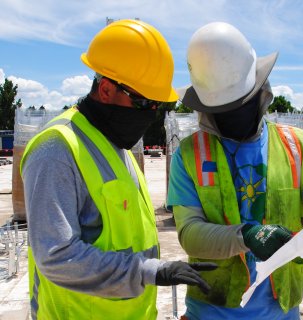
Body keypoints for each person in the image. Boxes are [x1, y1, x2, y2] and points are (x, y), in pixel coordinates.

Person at [167, 22, 303, 320]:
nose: (234, 116)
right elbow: (190, 234)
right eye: (224, 111)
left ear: (261, 91)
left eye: (241, 104)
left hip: (280, 309)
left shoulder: (296, 145)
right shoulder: (189, 155)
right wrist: (246, 235)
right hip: (212, 309)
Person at [20, 19, 216, 320]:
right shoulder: (57, 150)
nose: (150, 115)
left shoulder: (115, 145)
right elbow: (56, 256)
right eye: (143, 102)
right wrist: (148, 271)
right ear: (107, 89)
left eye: (157, 106)